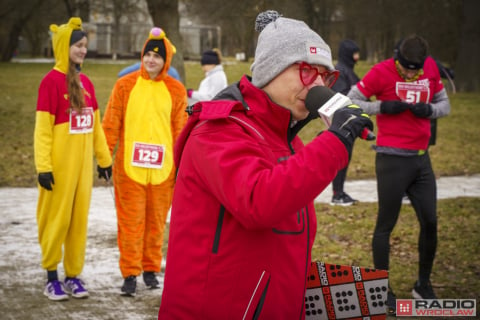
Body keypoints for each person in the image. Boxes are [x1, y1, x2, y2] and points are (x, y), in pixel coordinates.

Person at [158, 10, 373, 318]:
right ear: (271, 69)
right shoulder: (218, 131)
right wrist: (336, 140)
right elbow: (259, 201)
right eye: (307, 72)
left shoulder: (288, 140)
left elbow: (279, 250)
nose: (318, 86)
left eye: (326, 77)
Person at [347, 34, 451, 315]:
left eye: (415, 70)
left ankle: (423, 285)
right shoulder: (381, 72)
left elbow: (445, 105)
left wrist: (429, 109)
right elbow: (351, 101)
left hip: (421, 161)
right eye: (406, 69)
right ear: (397, 59)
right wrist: (382, 107)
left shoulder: (429, 68)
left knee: (430, 222)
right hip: (392, 159)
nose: (411, 74)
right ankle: (383, 292)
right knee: (385, 225)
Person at [102, 27, 188, 297]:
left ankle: (150, 269)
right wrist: (105, 156)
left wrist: (183, 161)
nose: (151, 60)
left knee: (156, 222)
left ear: (166, 61)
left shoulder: (175, 90)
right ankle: (130, 273)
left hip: (163, 172)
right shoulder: (125, 85)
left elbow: (181, 129)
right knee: (130, 223)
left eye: (157, 56)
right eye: (148, 54)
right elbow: (111, 123)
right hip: (130, 170)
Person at [34, 17, 112, 301]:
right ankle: (52, 276)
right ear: (63, 46)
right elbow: (42, 130)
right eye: (77, 45)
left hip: (82, 172)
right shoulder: (50, 83)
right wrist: (44, 167)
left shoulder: (87, 83)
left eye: (85, 46)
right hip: (58, 169)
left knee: (78, 222)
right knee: (56, 220)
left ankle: (73, 275)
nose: (82, 50)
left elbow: (96, 128)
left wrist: (104, 160)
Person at [329, 39, 361, 206]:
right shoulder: (341, 71)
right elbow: (343, 96)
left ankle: (340, 192)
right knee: (341, 157)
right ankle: (337, 194)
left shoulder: (348, 70)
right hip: (342, 123)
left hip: (351, 121)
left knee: (345, 157)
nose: (357, 57)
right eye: (355, 53)